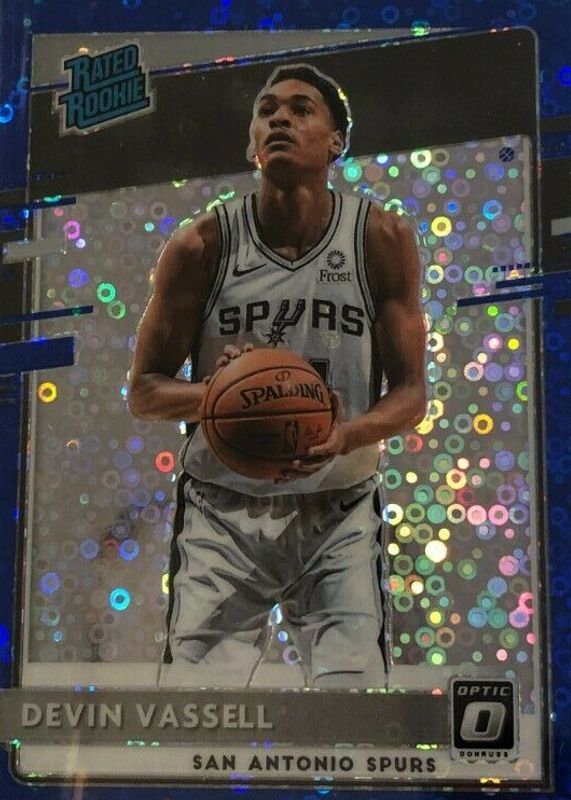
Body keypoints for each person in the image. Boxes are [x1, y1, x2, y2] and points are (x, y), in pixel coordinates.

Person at [127, 63, 427, 688]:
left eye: (300, 108)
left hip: (338, 507)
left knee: (352, 705)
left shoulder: (380, 237)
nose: (280, 119)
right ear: (252, 144)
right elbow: (145, 391)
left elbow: (411, 395)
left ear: (336, 141)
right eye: (267, 111)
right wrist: (214, 395)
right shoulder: (200, 245)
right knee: (196, 712)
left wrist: (346, 435)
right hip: (223, 511)